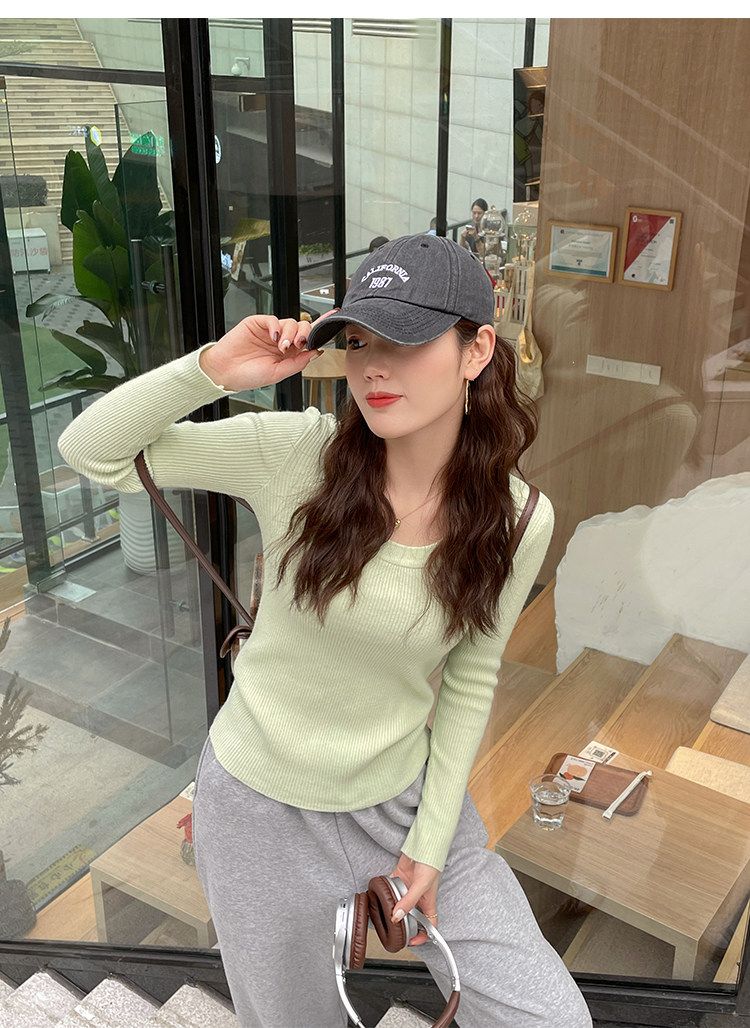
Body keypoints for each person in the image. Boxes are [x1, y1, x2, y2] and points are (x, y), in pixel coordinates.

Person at [58, 234, 591, 1028]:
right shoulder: (295, 453)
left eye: (406, 340)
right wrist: (214, 368)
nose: (373, 367)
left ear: (477, 350)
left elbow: (470, 680)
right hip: (261, 810)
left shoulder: (519, 518)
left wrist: (431, 844)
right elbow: (89, 452)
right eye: (360, 341)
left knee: (547, 1017)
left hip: (403, 800)